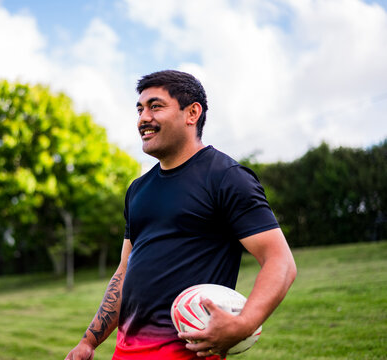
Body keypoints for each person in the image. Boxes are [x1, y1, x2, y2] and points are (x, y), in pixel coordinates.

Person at [65, 70, 297, 360]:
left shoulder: (225, 177)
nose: (142, 118)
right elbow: (124, 272)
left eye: (155, 106)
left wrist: (244, 323)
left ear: (192, 113)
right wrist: (89, 341)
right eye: (139, 109)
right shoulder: (137, 190)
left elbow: (281, 262)